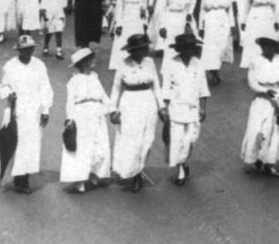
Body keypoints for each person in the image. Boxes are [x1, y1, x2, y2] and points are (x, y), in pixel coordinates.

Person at [0, 34, 53, 194]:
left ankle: (25, 177)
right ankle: (18, 178)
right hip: (17, 108)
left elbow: (45, 88)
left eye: (30, 49)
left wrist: (45, 109)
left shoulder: (39, 65)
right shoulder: (10, 66)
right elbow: (3, 86)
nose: (27, 52)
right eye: (24, 50)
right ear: (18, 51)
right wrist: (9, 94)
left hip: (34, 109)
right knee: (17, 143)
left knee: (31, 144)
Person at [109, 33, 163, 191]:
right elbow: (116, 88)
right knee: (132, 140)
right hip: (130, 104)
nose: (144, 51)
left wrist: (162, 107)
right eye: (140, 49)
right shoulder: (123, 64)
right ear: (132, 51)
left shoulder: (150, 62)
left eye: (145, 48)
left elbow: (157, 86)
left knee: (147, 139)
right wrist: (113, 109)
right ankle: (136, 174)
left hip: (148, 102)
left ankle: (139, 168)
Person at [59, 48, 112, 194]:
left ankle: (96, 175)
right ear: (83, 63)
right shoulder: (73, 81)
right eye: (91, 59)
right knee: (82, 147)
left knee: (100, 145)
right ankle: (79, 179)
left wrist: (113, 109)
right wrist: (70, 119)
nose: (94, 60)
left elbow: (103, 96)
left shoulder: (95, 77)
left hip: (97, 114)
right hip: (81, 115)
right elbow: (70, 102)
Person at [161, 31, 210, 185]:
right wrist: (165, 109)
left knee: (191, 139)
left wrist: (203, 107)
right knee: (177, 140)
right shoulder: (171, 64)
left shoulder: (199, 64)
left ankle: (184, 161)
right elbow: (166, 89)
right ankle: (181, 169)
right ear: (180, 49)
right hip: (176, 108)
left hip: (193, 109)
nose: (190, 50)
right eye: (186, 48)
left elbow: (203, 87)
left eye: (192, 47)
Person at [243, 34, 279, 175]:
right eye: (265, 45)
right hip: (262, 100)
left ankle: (270, 162)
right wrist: (264, 90)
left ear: (276, 47)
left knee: (275, 131)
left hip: (278, 97)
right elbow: (252, 82)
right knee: (259, 130)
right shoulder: (256, 61)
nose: (267, 48)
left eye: (271, 45)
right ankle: (257, 156)